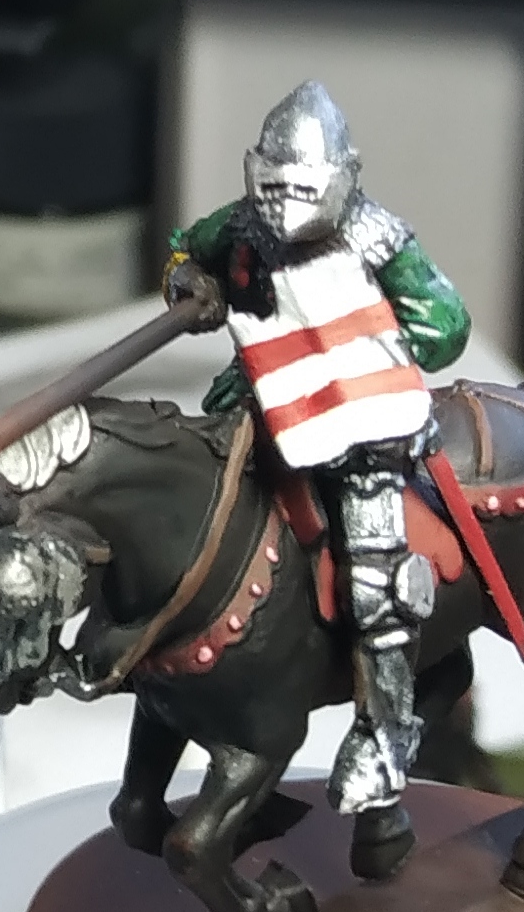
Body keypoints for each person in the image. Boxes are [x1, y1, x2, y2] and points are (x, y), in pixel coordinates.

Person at [162, 80, 471, 815]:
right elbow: (183, 249)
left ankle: (384, 735)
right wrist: (190, 282)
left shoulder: (377, 236)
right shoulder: (240, 224)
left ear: (342, 177)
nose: (283, 203)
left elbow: (445, 324)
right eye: (273, 185)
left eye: (301, 187)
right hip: (261, 403)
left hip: (361, 428)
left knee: (376, 579)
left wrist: (365, 358)